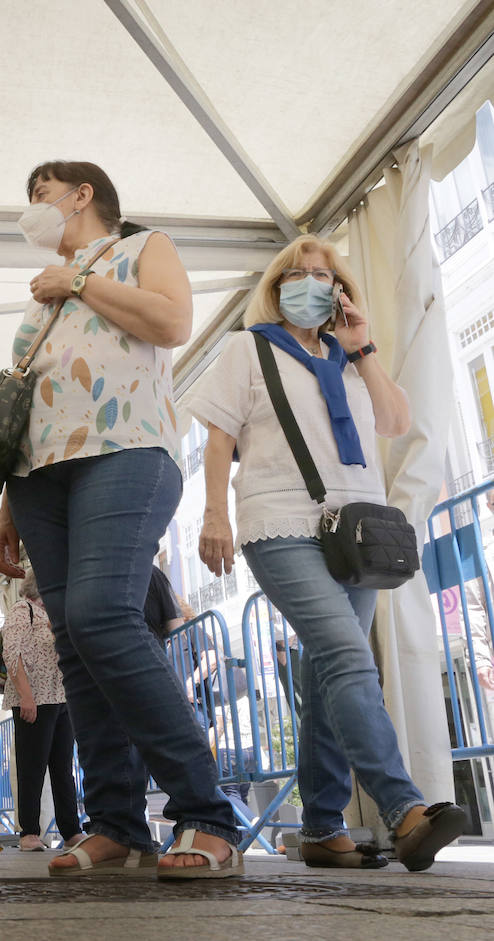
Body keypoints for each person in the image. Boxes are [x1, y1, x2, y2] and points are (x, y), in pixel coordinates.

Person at [0, 160, 241, 878]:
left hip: (126, 449)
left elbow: (173, 320)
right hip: (40, 477)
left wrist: (78, 281)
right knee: (75, 644)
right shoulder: (41, 300)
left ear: (82, 194)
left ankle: (205, 812)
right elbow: (29, 402)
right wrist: (9, 505)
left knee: (102, 616)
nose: (30, 210)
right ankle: (116, 822)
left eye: (38, 194)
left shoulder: (139, 248)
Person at [189, 233, 465, 872]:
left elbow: (397, 422)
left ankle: (318, 827)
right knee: (345, 653)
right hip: (279, 521)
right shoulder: (247, 348)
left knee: (323, 675)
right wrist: (213, 514)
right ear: (276, 285)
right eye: (296, 273)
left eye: (323, 275)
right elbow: (218, 441)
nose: (309, 284)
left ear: (340, 290)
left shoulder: (349, 359)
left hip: (359, 531)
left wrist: (362, 346)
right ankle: (405, 811)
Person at [2, 572, 83, 852]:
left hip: (60, 698)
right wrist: (26, 696)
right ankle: (29, 832)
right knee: (32, 767)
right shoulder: (22, 610)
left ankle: (72, 830)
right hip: (35, 699)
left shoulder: (53, 615)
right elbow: (12, 653)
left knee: (62, 768)